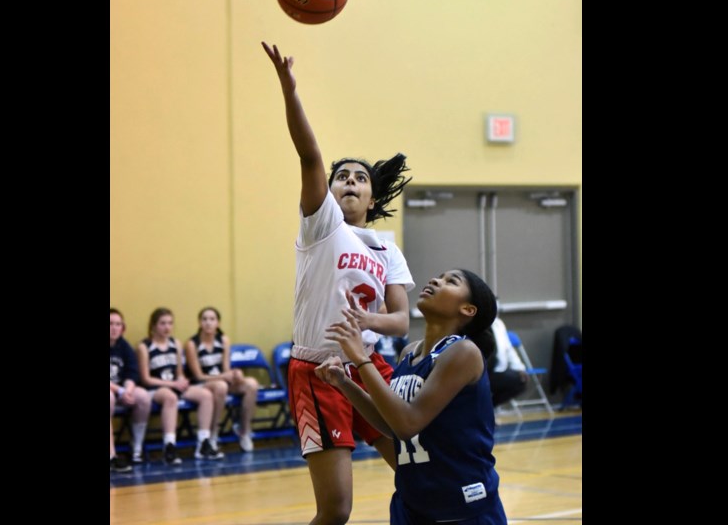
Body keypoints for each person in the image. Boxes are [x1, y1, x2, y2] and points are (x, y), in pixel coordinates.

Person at [262, 42, 415, 525]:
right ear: (329, 191)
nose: (349, 181)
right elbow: (310, 155)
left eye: (360, 178)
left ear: (372, 195)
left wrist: (368, 321)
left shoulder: (386, 247)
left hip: (368, 366)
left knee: (421, 472)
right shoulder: (322, 225)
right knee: (336, 511)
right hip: (318, 371)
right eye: (341, 177)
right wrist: (290, 90)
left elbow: (400, 319)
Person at [317, 269, 508, 525]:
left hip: (462, 507)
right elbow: (391, 425)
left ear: (468, 309)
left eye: (450, 281)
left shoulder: (463, 352)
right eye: (439, 276)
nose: (436, 280)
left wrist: (361, 359)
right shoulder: (409, 353)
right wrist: (344, 383)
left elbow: (408, 424)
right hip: (412, 504)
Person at [137, 307, 224, 462]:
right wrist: (172, 384)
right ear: (154, 325)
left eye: (170, 323)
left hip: (174, 385)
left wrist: (181, 380)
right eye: (162, 323)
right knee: (170, 397)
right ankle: (169, 446)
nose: (167, 327)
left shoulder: (175, 343)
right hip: (155, 388)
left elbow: (179, 372)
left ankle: (203, 443)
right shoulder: (144, 346)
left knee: (206, 395)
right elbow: (145, 379)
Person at [184, 306, 261, 453]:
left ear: (218, 323)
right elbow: (198, 376)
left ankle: (244, 431)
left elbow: (226, 369)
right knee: (221, 386)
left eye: (212, 319)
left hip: (221, 381)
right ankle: (213, 433)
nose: (208, 323)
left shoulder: (223, 340)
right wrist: (223, 377)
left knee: (251, 384)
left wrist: (235, 374)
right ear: (199, 323)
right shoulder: (192, 344)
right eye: (204, 319)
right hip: (200, 385)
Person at [110, 308, 151, 472]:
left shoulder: (124, 346)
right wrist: (120, 391)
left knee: (142, 396)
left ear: (123, 328)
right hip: (112, 392)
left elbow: (132, 372)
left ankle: (136, 448)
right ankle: (112, 456)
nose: (114, 328)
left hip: (119, 389)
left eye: (118, 324)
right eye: (111, 324)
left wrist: (127, 389)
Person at [488, 316, 528, 408]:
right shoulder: (476, 323)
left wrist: (519, 368)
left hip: (499, 370)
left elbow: (508, 348)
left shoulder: (498, 323)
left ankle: (489, 408)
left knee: (520, 381)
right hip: (483, 372)